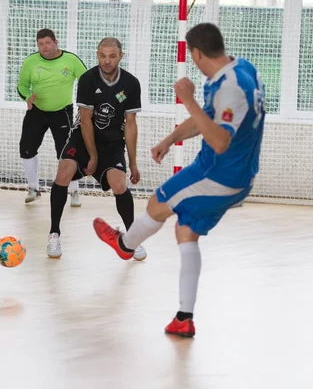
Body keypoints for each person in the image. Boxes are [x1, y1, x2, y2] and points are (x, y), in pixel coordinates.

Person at [93, 23, 266, 337]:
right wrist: (171, 138)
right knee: (185, 231)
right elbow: (210, 121)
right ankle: (184, 318)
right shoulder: (243, 69)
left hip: (216, 174)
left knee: (157, 204)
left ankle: (124, 245)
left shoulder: (228, 88)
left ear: (197, 53)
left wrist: (187, 99)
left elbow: (219, 140)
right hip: (240, 175)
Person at [47, 37, 146, 261]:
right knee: (64, 172)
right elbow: (85, 120)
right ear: (97, 55)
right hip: (82, 138)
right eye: (102, 55)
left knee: (120, 184)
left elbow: (130, 125)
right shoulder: (88, 79)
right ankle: (54, 233)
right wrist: (92, 156)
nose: (107, 60)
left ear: (121, 56)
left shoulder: (131, 83)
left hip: (112, 142)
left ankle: (132, 238)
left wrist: (133, 163)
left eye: (112, 56)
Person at [17, 28, 86, 205]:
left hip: (62, 112)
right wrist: (27, 97)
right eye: (40, 44)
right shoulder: (30, 62)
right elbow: (22, 86)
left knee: (67, 152)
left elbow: (87, 81)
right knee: (26, 148)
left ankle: (74, 191)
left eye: (47, 43)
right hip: (37, 111)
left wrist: (85, 106)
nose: (44, 47)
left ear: (56, 42)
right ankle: (33, 188)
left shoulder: (70, 60)